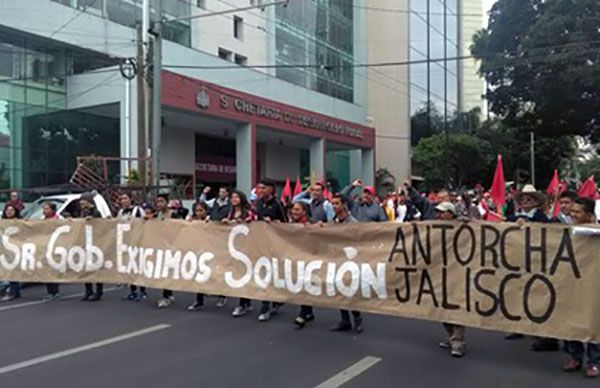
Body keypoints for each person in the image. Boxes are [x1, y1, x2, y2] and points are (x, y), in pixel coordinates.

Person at [504, 185, 558, 351]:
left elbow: (546, 231)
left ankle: (541, 331)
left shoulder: (541, 217)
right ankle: (518, 327)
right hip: (518, 260)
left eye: (529, 199)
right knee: (517, 292)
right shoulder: (514, 216)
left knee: (536, 294)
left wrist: (528, 223)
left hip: (535, 260)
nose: (526, 202)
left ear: (535, 202)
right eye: (523, 199)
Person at [562, 197, 600, 378]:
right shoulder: (562, 228)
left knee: (592, 321)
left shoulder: (597, 231)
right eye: (573, 211)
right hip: (571, 282)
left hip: (593, 283)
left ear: (589, 214)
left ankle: (594, 362)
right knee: (572, 319)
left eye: (578, 212)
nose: (573, 214)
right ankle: (575, 357)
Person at [434, 202, 466, 358]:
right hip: (440, 272)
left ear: (451, 214)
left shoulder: (463, 227)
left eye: (442, 212)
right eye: (437, 212)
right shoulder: (434, 228)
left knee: (455, 307)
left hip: (457, 273)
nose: (438, 215)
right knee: (441, 308)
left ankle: (458, 342)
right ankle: (451, 336)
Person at [329, 194, 364, 334]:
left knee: (350, 291)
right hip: (336, 260)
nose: (334, 206)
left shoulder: (353, 222)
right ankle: (345, 320)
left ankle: (357, 318)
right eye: (332, 203)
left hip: (350, 260)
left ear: (344, 205)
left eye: (337, 203)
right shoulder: (333, 221)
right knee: (339, 290)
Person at [254, 180, 288, 322]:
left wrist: (275, 223)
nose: (260, 190)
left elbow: (286, 224)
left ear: (271, 189)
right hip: (261, 243)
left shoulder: (278, 204)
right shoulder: (258, 203)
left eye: (263, 188)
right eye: (259, 188)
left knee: (271, 274)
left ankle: (266, 306)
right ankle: (271, 302)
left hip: (275, 244)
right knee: (264, 274)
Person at [187, 201, 228, 310]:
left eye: (201, 210)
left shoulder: (211, 220)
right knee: (199, 276)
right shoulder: (195, 221)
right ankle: (199, 301)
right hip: (200, 251)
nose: (199, 213)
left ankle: (222, 295)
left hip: (212, 251)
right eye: (197, 211)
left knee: (216, 274)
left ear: (206, 210)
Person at [226, 191, 257, 317]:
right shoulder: (230, 212)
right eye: (232, 197)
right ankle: (246, 301)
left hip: (246, 248)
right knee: (239, 274)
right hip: (234, 248)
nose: (234, 199)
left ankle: (242, 303)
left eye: (236, 197)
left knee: (244, 274)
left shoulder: (248, 212)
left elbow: (256, 223)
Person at [155, 194, 184, 308]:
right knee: (163, 272)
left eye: (161, 201)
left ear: (167, 202)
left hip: (172, 247)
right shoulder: (158, 215)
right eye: (157, 202)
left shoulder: (173, 214)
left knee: (167, 272)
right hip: (161, 247)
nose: (159, 204)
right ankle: (168, 294)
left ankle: (166, 296)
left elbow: (181, 227)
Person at [117, 192, 147, 302]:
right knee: (130, 267)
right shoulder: (121, 212)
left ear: (130, 199)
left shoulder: (138, 210)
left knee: (138, 267)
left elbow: (145, 223)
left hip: (137, 242)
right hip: (126, 243)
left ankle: (143, 291)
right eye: (121, 199)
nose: (123, 201)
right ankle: (133, 291)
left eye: (125, 198)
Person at [290, 202, 315, 329]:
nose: (294, 212)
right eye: (293, 209)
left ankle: (303, 314)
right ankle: (309, 312)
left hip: (307, 259)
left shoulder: (309, 224)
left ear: (304, 212)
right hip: (296, 258)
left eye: (297, 210)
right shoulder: (290, 224)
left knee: (305, 284)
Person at [79, 193, 104, 302]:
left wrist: (92, 219)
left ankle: (99, 291)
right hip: (86, 242)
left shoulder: (96, 212)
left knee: (96, 268)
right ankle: (88, 290)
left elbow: (101, 225)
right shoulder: (82, 212)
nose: (82, 205)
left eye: (83, 203)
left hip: (95, 243)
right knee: (86, 268)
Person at [1, 204, 22, 302]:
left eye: (11, 210)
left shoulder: (20, 222)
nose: (9, 212)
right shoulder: (2, 223)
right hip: (5, 250)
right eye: (7, 210)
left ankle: (13, 292)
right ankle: (15, 291)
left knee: (13, 271)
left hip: (15, 250)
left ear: (15, 212)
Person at [41, 202, 61, 301]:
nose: (44, 211)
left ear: (52, 210)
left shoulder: (59, 219)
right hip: (45, 247)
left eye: (46, 209)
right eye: (44, 209)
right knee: (46, 271)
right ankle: (50, 291)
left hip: (55, 248)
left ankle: (54, 291)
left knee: (52, 270)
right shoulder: (43, 220)